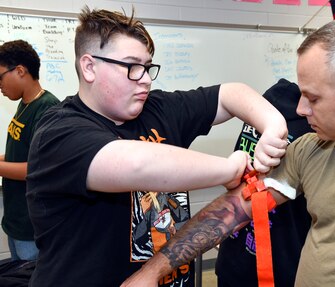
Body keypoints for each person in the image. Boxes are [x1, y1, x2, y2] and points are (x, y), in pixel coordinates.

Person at [124, 15, 335, 287]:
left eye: (313, 98)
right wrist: (151, 272)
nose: (300, 108)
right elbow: (235, 210)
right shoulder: (314, 149)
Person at [25, 6, 288, 287]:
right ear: (90, 67)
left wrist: (273, 125)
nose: (146, 79)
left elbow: (230, 94)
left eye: (148, 67)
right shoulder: (58, 130)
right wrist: (228, 168)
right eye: (132, 67)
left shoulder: (157, 108)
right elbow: (136, 164)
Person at [215, 78, 313, 287]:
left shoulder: (263, 111)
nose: (305, 108)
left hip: (235, 255)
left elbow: (236, 180)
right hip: (280, 263)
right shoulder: (310, 129)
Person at [0, 40, 60, 261]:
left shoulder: (47, 108)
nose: (0, 85)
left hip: (31, 226)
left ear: (20, 71)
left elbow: (37, 168)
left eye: (0, 77)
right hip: (16, 220)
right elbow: (22, 152)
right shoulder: (24, 103)